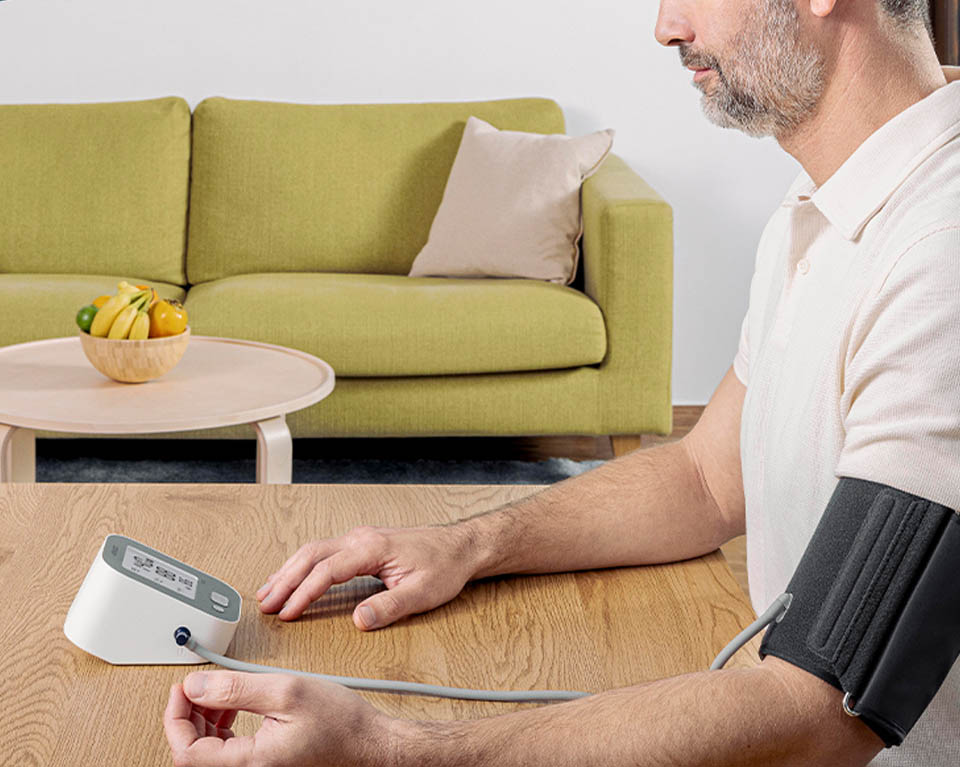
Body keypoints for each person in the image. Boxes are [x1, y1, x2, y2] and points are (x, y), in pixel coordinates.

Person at [164, 0, 960, 763]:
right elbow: (706, 476)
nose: (665, 27)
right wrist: (467, 544)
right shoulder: (820, 205)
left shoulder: (939, 253)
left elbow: (823, 712)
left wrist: (388, 749)